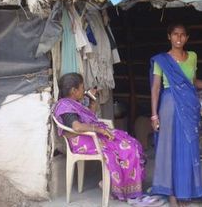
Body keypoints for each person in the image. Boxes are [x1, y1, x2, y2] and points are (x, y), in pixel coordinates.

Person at [150, 23, 202, 206]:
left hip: (189, 106)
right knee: (170, 149)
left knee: (188, 148)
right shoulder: (162, 60)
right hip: (169, 106)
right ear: (169, 36)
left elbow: (192, 82)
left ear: (187, 38)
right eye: (175, 34)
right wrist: (154, 115)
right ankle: (172, 194)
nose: (179, 38)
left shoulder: (192, 57)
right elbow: (155, 88)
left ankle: (185, 191)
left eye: (182, 35)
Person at [54, 73, 145, 201]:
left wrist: (92, 101)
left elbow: (88, 119)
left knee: (131, 142)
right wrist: (98, 129)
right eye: (81, 87)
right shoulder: (65, 106)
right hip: (83, 142)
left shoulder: (73, 103)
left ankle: (121, 185)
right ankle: (121, 187)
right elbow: (77, 127)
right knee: (128, 148)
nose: (83, 90)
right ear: (74, 91)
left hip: (90, 137)